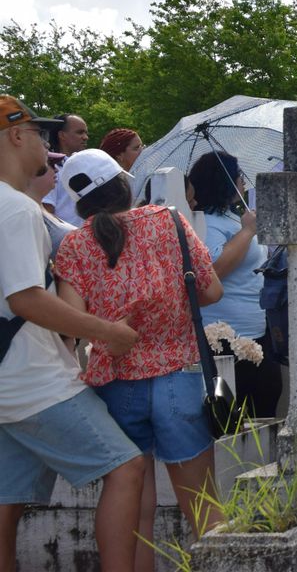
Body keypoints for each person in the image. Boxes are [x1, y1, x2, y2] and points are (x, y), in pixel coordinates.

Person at [54, 149, 226, 569]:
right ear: (124, 183)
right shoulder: (169, 221)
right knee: (204, 509)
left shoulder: (75, 245)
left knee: (134, 508)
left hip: (115, 382)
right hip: (179, 378)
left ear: (80, 203)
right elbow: (211, 291)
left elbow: (71, 323)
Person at [0, 96, 144, 571]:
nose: (47, 144)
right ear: (15, 136)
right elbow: (26, 299)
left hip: (7, 384)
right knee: (126, 467)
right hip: (32, 380)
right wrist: (107, 332)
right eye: (39, 134)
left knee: (6, 506)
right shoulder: (17, 211)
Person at [190, 151, 282, 419]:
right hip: (224, 338)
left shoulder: (233, 218)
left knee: (266, 399)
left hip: (256, 330)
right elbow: (214, 270)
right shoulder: (205, 223)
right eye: (239, 177)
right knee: (231, 415)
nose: (243, 184)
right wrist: (247, 232)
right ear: (225, 182)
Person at [42, 113, 89, 226]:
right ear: (62, 135)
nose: (85, 137)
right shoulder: (51, 167)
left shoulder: (85, 165)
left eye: (86, 133)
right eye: (80, 132)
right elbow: (46, 214)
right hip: (64, 241)